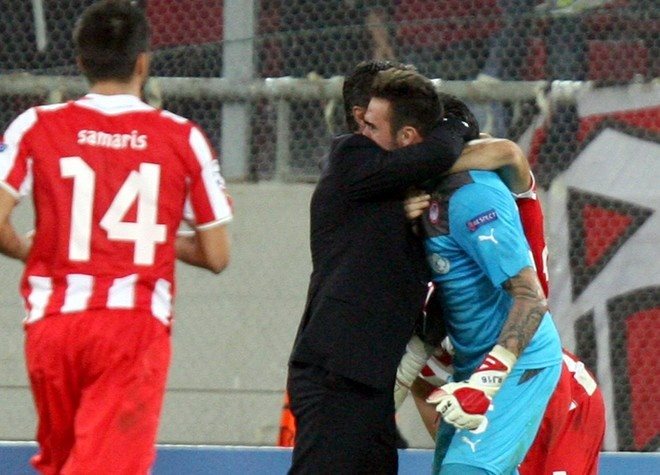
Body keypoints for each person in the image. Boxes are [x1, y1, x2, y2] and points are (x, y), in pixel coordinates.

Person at [0, 1, 232, 473]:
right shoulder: (181, 137)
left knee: (65, 463)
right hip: (131, 326)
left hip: (52, 326)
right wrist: (150, 235)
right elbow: (216, 253)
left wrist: (28, 249)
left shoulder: (36, 125)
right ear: (143, 62)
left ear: (81, 61)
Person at [363, 72, 563, 474]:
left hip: (518, 363)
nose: (361, 136)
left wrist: (487, 382)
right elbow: (448, 291)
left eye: (371, 126)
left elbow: (531, 297)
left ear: (411, 138)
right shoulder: (423, 197)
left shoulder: (474, 196)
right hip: (474, 364)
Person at [397, 94, 605, 474]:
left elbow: (506, 151)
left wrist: (411, 170)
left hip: (546, 380)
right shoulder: (427, 274)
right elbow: (427, 394)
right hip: (481, 378)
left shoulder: (484, 191)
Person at [286, 62, 477, 474]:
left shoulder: (394, 181)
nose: (364, 130)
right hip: (333, 372)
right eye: (366, 121)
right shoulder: (349, 155)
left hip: (369, 378)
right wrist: (455, 123)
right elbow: (442, 150)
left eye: (375, 124)